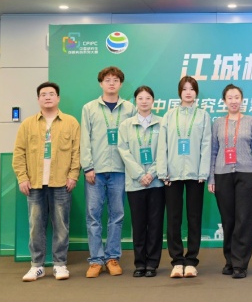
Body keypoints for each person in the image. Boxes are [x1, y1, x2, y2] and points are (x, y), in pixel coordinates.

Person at [13, 82, 81, 282]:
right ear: (38, 99)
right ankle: (37, 266)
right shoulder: (28, 124)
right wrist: (22, 177)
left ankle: (60, 264)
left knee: (61, 225)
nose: (48, 97)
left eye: (52, 94)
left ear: (58, 98)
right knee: (36, 226)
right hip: (34, 183)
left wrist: (73, 175)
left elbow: (76, 152)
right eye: (43, 94)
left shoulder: (71, 122)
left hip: (61, 182)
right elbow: (19, 153)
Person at [80, 66, 136, 278]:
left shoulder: (129, 108)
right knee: (93, 215)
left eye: (115, 80)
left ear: (121, 84)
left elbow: (133, 140)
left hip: (120, 170)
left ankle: (112, 258)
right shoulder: (89, 108)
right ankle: (95, 260)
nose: (111, 83)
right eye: (107, 80)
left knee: (117, 215)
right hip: (95, 170)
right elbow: (85, 139)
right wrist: (88, 166)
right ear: (101, 83)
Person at [156, 76, 212, 278]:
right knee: (173, 218)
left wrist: (203, 172)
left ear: (196, 92)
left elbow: (206, 144)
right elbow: (162, 145)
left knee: (194, 217)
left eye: (192, 89)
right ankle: (177, 261)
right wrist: (162, 171)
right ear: (179, 92)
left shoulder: (203, 115)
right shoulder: (169, 115)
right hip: (172, 174)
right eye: (185, 89)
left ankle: (191, 261)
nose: (188, 92)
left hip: (196, 174)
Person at [208, 84, 252, 279]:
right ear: (224, 101)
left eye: (237, 97)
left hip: (246, 174)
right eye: (230, 98)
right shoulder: (217, 123)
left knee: (244, 219)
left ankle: (240, 263)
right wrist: (211, 177)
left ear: (242, 100)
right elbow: (213, 151)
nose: (233, 101)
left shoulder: (251, 122)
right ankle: (230, 260)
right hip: (222, 174)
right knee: (228, 219)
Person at [118, 86, 165, 277]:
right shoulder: (126, 125)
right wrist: (139, 175)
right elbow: (124, 152)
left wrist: (151, 174)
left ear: (153, 101)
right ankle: (139, 264)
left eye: (147, 98)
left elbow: (164, 151)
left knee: (155, 224)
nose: (144, 101)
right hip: (135, 183)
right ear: (135, 101)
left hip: (156, 183)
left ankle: (152, 263)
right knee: (138, 225)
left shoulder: (162, 123)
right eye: (140, 98)